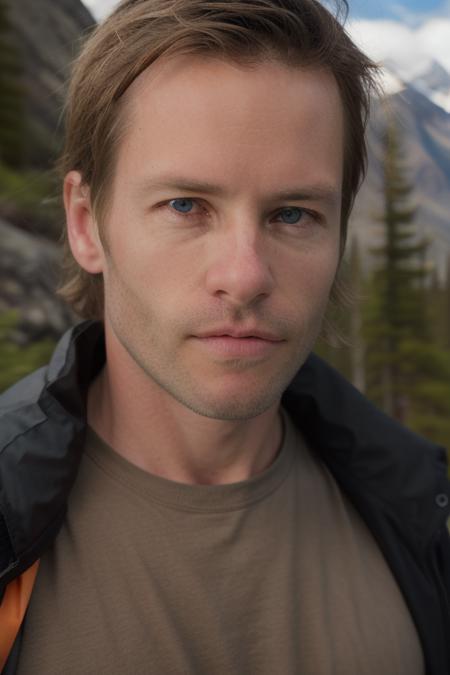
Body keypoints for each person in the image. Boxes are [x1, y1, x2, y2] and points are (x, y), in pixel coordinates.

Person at [0, 0, 449, 673]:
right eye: (186, 205)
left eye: (293, 214)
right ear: (87, 223)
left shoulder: (422, 516)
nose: (245, 276)